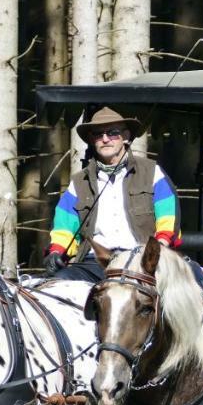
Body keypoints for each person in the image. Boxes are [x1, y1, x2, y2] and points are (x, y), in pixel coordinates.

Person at [44, 106, 179, 282]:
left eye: (113, 132)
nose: (105, 139)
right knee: (59, 285)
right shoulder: (78, 182)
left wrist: (156, 253)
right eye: (98, 134)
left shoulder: (152, 172)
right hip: (95, 263)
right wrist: (56, 252)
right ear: (92, 140)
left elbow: (168, 220)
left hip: (142, 262)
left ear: (126, 136)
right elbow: (64, 228)